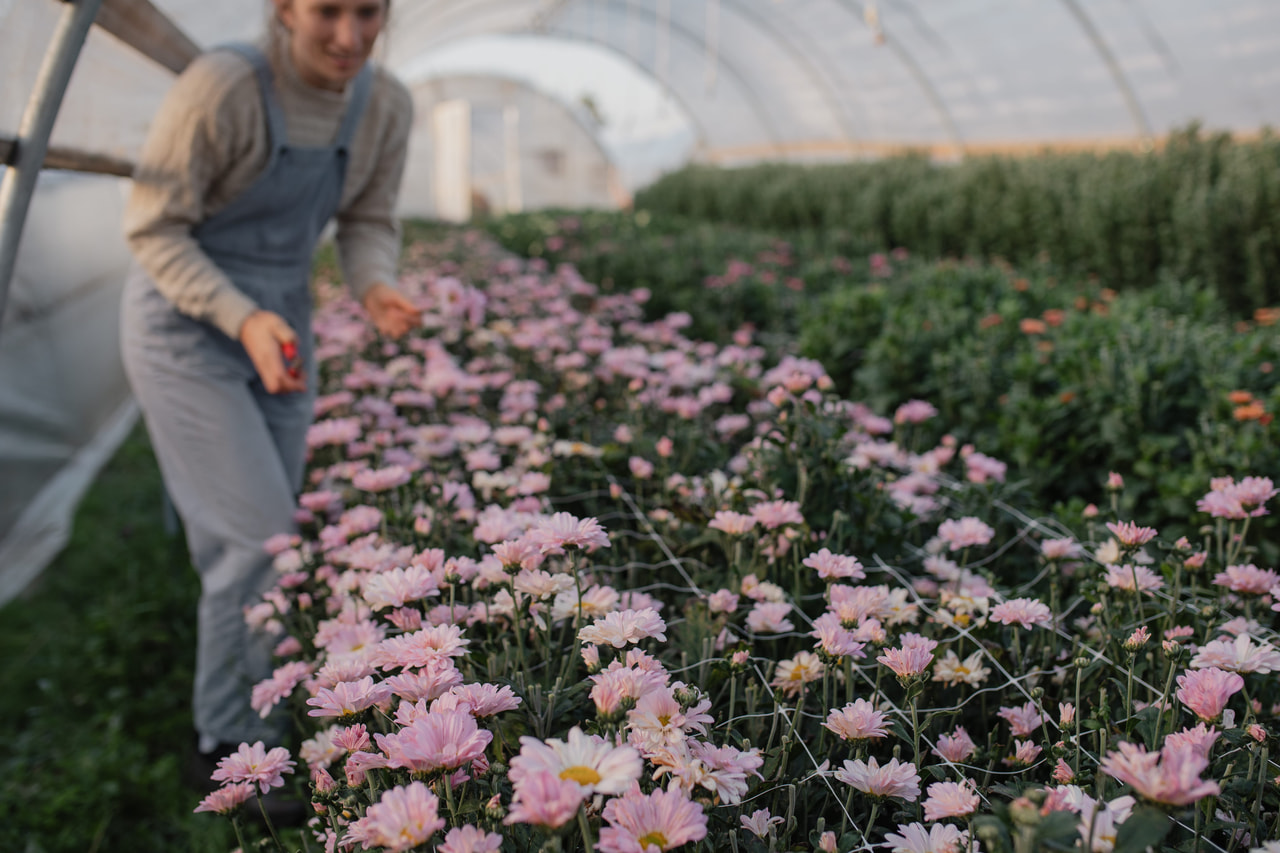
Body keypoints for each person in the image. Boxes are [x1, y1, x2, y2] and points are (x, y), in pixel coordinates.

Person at [120, 0, 417, 762]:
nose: (349, 36)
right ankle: (231, 738)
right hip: (186, 323)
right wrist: (239, 316)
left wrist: (375, 284)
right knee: (254, 540)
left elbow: (368, 219)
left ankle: (250, 710)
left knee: (267, 535)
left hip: (280, 326)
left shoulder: (384, 104)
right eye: (327, 12)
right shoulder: (224, 86)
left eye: (369, 13)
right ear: (284, 8)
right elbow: (154, 226)